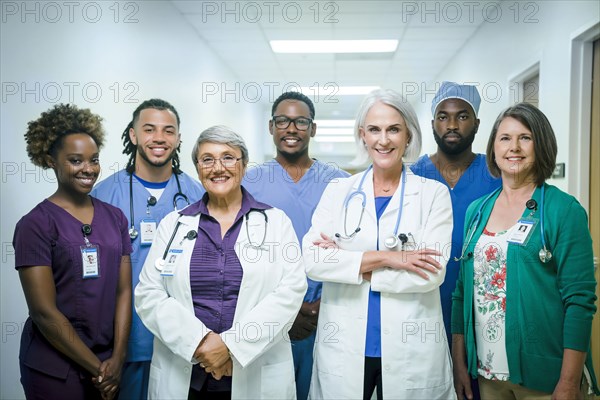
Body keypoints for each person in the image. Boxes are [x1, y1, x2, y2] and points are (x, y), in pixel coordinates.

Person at [134, 126, 307, 399]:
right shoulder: (174, 224)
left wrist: (231, 347)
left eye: (228, 157)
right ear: (198, 167)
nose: (218, 167)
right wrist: (202, 344)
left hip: (254, 369)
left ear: (244, 164)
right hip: (188, 372)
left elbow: (291, 290)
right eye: (207, 159)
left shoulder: (276, 222)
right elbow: (148, 293)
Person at [303, 89, 455, 399]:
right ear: (362, 135)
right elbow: (312, 260)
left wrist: (349, 264)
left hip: (411, 347)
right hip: (345, 346)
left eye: (393, 129)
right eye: (374, 129)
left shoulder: (433, 195)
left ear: (408, 135)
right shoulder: (338, 191)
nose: (383, 140)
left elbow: (432, 272)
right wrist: (393, 258)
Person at [451, 102, 599, 399]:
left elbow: (580, 302)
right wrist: (459, 363)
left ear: (541, 144)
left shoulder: (562, 210)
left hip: (546, 377)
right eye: (505, 138)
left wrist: (569, 383)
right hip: (487, 372)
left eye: (525, 137)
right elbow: (462, 290)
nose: (514, 147)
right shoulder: (477, 211)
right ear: (493, 147)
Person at [13, 104, 132, 399]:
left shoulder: (115, 217)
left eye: (94, 160)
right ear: (51, 161)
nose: (88, 169)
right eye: (76, 160)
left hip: (108, 360)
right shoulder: (35, 224)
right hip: (54, 369)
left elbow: (123, 292)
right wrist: (101, 371)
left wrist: (117, 359)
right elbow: (43, 312)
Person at [91, 99, 204, 400]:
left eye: (168, 131)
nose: (159, 138)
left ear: (179, 139)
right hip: (123, 341)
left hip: (182, 336)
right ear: (133, 135)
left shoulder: (197, 194)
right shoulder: (103, 194)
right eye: (149, 129)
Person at [242, 91, 349, 400]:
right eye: (283, 121)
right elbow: (243, 255)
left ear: (313, 129)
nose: (291, 129)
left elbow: (352, 250)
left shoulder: (340, 183)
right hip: (268, 315)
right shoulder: (249, 182)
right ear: (271, 127)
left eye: (301, 121)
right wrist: (285, 311)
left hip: (328, 313)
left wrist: (321, 305)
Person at [411, 82, 501, 351]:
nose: (452, 125)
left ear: (476, 123)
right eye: (443, 117)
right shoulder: (413, 176)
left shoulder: (496, 174)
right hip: (424, 299)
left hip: (482, 300)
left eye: (462, 116)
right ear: (432, 123)